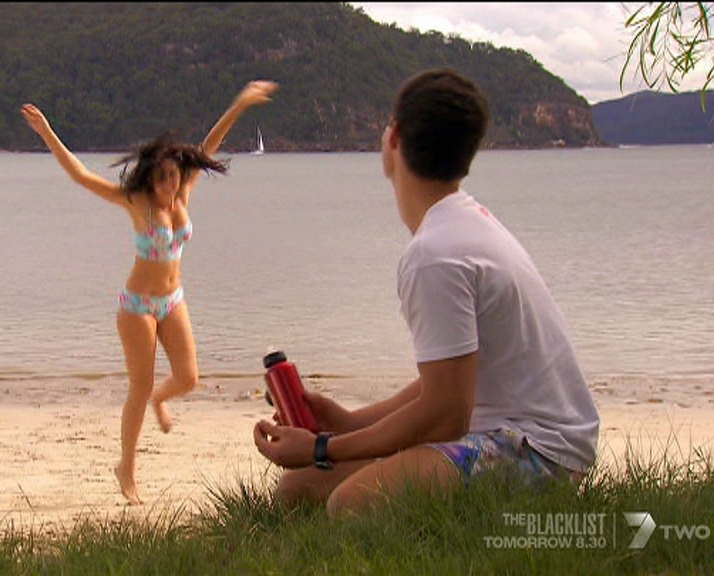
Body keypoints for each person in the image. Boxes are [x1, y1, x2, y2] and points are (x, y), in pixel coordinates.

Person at [252, 69, 599, 517]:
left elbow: (447, 414)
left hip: (538, 452)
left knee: (352, 505)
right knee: (298, 489)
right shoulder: (464, 222)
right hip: (508, 432)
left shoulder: (435, 255)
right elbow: (450, 379)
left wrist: (323, 447)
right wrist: (350, 423)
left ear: (394, 137)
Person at [21, 80, 279, 504]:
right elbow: (81, 175)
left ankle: (163, 398)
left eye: (174, 176)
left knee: (189, 378)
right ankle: (127, 467)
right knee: (138, 390)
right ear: (150, 178)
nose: (170, 185)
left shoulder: (183, 192)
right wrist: (46, 131)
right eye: (162, 179)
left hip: (172, 300)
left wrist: (241, 104)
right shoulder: (136, 202)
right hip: (138, 307)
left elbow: (210, 144)